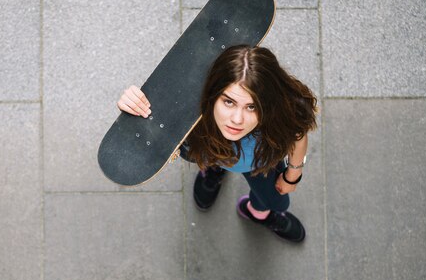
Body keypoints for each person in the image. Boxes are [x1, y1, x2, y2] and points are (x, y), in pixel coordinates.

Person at [117, 45, 318, 242]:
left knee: (275, 201)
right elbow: (152, 121)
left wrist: (293, 175)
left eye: (251, 106)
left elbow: (297, 136)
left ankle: (256, 213)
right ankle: (213, 171)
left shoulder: (284, 112)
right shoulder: (195, 113)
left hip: (261, 162)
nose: (237, 119)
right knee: (204, 155)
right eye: (228, 102)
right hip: (208, 151)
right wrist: (134, 106)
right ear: (213, 95)